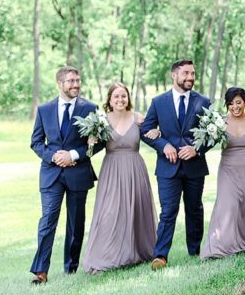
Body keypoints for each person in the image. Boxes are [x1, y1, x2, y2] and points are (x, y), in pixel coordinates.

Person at [141, 59, 214, 269]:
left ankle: (195, 250)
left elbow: (214, 134)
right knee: (168, 211)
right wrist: (163, 145)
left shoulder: (204, 101)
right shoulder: (158, 102)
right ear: (174, 75)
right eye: (186, 74)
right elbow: (146, 130)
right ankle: (161, 255)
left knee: (194, 208)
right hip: (167, 168)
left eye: (192, 73)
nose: (190, 77)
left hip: (194, 166)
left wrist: (196, 149)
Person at [29, 66, 98, 283]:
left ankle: (71, 267)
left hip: (78, 172)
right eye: (71, 81)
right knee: (48, 219)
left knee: (76, 222)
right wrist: (55, 157)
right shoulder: (44, 110)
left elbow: (99, 142)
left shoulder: (90, 108)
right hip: (51, 174)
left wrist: (74, 154)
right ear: (60, 83)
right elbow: (36, 142)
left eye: (78, 80)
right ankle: (41, 270)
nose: (76, 85)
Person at [83, 82, 158, 273]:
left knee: (136, 210)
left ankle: (136, 252)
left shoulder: (138, 118)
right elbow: (91, 149)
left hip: (134, 169)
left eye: (123, 96)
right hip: (112, 171)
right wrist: (91, 141)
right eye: (116, 96)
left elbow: (154, 131)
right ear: (109, 99)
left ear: (128, 98)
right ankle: (104, 257)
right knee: (110, 213)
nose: (120, 99)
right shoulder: (102, 120)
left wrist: (159, 131)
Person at [201, 87, 245, 259]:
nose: (235, 106)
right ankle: (220, 247)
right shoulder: (219, 122)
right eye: (231, 103)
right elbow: (205, 143)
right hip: (228, 171)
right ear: (227, 105)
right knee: (229, 206)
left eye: (238, 102)